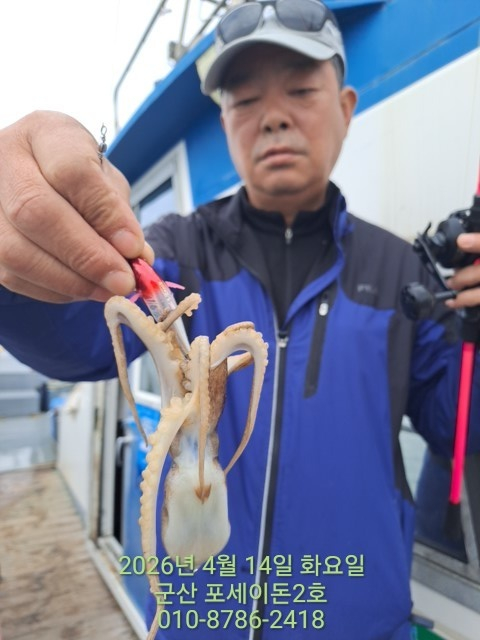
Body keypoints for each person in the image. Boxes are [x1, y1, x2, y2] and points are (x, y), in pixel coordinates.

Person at [0, 1, 479, 639]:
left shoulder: (402, 273)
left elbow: (460, 424)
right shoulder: (173, 251)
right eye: (245, 100)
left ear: (346, 108)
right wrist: (14, 262)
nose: (273, 116)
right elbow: (76, 339)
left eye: (301, 90)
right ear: (225, 123)